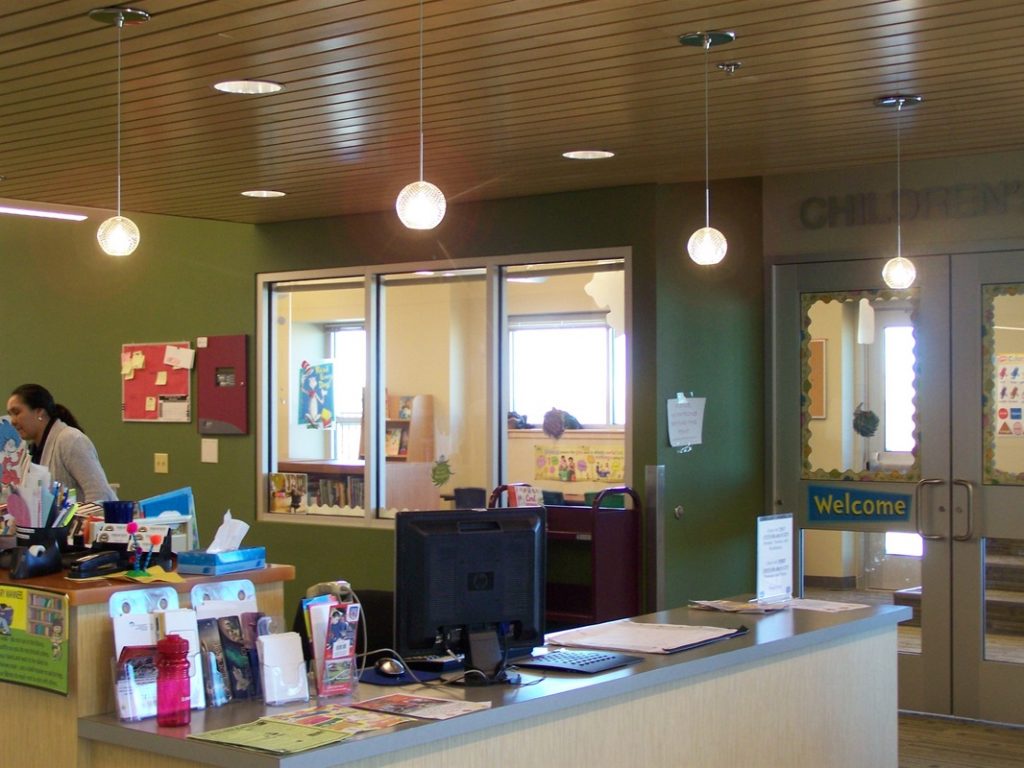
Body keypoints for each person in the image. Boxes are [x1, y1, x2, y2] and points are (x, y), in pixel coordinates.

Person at [6, 384, 117, 503]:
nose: (12, 421)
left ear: (39, 412)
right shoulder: (30, 452)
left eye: (16, 413)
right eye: (10, 414)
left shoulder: (71, 440)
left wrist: (80, 521)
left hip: (81, 521)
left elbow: (100, 495)